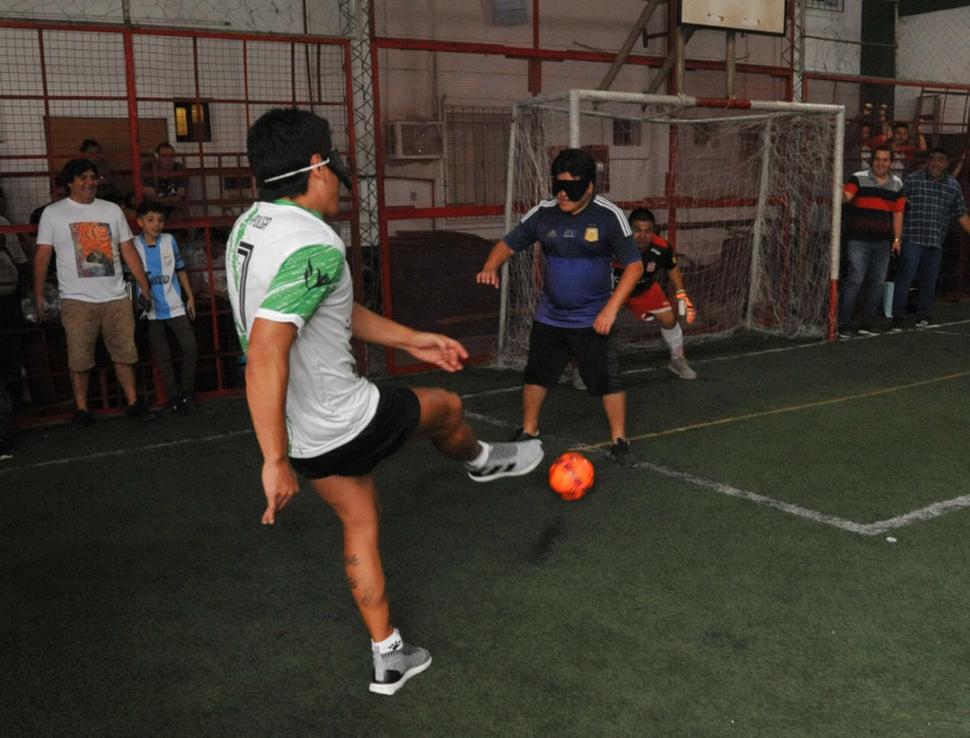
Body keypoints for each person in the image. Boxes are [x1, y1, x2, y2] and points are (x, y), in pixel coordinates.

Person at [226, 108, 543, 697]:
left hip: (305, 432)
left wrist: (411, 338)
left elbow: (327, 311)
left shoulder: (251, 226)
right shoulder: (313, 243)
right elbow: (268, 350)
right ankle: (481, 460)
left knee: (360, 524)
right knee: (445, 407)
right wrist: (273, 460)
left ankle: (389, 655)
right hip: (346, 419)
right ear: (318, 167)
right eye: (334, 162)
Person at [476, 148, 645, 466]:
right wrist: (491, 265)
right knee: (537, 374)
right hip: (550, 315)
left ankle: (620, 440)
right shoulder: (544, 212)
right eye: (559, 185)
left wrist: (610, 310)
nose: (564, 193)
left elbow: (634, 266)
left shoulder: (609, 215)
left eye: (573, 186)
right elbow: (507, 243)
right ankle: (529, 430)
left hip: (594, 318)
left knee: (606, 379)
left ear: (591, 187)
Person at [34, 158, 157, 426]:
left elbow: (128, 250)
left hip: (116, 297)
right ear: (70, 182)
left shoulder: (111, 210)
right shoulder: (53, 214)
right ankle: (81, 409)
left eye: (93, 177)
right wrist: (39, 293)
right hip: (76, 300)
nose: (90, 182)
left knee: (125, 352)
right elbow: (43, 256)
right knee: (79, 357)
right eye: (83, 178)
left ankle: (134, 402)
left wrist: (144, 286)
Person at [890, 148, 970, 330]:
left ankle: (923, 316)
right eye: (933, 159)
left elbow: (962, 214)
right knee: (905, 278)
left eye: (941, 159)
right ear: (927, 161)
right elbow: (898, 208)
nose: (936, 163)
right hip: (912, 238)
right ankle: (898, 317)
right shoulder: (912, 180)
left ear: (946, 164)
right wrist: (897, 238)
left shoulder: (953, 186)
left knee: (929, 281)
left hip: (936, 241)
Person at [132, 200, 198, 412]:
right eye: (150, 220)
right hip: (149, 311)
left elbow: (180, 269)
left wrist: (190, 297)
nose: (156, 224)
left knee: (190, 347)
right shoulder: (133, 245)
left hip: (175, 305)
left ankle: (187, 392)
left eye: (160, 220)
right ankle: (174, 397)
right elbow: (128, 277)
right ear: (140, 222)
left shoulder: (170, 241)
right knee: (162, 356)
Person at [621, 208, 697, 380]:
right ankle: (581, 368)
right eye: (637, 230)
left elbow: (672, 268)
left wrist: (681, 292)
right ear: (628, 228)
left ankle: (677, 359)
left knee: (669, 319)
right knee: (591, 326)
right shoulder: (615, 244)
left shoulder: (662, 247)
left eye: (647, 230)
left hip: (644, 288)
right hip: (612, 289)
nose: (642, 235)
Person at [838, 145, 906, 338]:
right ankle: (844, 323)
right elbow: (847, 197)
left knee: (877, 282)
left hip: (883, 242)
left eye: (885, 159)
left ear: (890, 162)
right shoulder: (857, 177)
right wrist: (837, 190)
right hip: (858, 239)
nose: (881, 163)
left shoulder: (897, 184)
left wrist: (896, 239)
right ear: (872, 160)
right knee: (855, 280)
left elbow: (898, 214)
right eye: (878, 159)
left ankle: (867, 322)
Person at [141, 143, 186, 218]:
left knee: (181, 216)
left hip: (173, 209)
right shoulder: (148, 169)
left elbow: (181, 196)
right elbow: (150, 198)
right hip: (153, 209)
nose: (169, 160)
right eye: (164, 156)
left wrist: (160, 200)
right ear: (157, 157)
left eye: (171, 156)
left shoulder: (179, 168)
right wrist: (172, 200)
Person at [79, 139, 120, 203]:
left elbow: (111, 181)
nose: (94, 156)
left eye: (97, 153)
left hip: (104, 196)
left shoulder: (103, 166)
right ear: (83, 153)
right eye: (90, 153)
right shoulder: (77, 167)